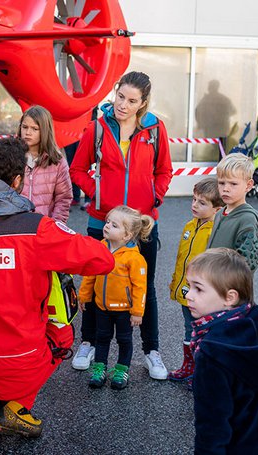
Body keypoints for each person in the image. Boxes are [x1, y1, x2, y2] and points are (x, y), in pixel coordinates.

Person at [0, 137, 114, 454]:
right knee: (63, 334)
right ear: (18, 180)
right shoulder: (36, 229)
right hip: (17, 357)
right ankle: (13, 405)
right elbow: (102, 260)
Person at [70, 71, 173, 378]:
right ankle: (87, 343)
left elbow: (164, 170)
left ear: (143, 103)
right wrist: (97, 194)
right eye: (120, 97)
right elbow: (77, 169)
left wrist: (154, 197)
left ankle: (151, 351)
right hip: (101, 222)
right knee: (92, 282)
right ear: (114, 93)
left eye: (131, 101)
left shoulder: (154, 129)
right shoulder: (97, 128)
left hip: (142, 225)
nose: (123, 105)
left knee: (146, 288)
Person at [186, 248, 258, 454]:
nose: (189, 295)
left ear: (230, 297)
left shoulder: (212, 351)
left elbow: (212, 425)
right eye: (189, 286)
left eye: (198, 289)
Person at [78, 205, 153, 390]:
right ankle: (99, 370)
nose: (107, 226)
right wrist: (84, 295)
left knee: (124, 340)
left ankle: (121, 371)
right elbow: (90, 274)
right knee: (101, 338)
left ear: (127, 236)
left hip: (124, 311)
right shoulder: (100, 248)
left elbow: (140, 287)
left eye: (114, 225)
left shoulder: (134, 259)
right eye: (108, 222)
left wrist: (137, 312)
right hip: (101, 307)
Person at [167, 178, 222, 383]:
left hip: (203, 294)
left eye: (202, 202)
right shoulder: (189, 226)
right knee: (189, 328)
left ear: (217, 208)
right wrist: (176, 281)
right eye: (194, 199)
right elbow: (181, 257)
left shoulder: (214, 233)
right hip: (185, 290)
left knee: (204, 331)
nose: (194, 205)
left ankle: (203, 371)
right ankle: (188, 366)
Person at [206, 153, 258, 271]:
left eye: (233, 184)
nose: (226, 188)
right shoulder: (219, 214)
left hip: (230, 287)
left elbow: (247, 264)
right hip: (211, 284)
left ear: (248, 185)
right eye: (221, 183)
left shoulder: (248, 219)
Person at [17, 105, 73, 223]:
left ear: (45, 130)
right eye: (25, 127)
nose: (28, 132)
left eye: (34, 129)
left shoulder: (57, 161)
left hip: (44, 228)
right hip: (15, 228)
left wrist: (55, 226)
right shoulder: (10, 156)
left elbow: (63, 199)